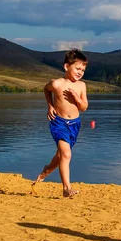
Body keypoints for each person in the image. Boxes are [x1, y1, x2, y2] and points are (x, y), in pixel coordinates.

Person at [32, 49, 89, 198]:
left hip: (75, 124)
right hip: (59, 122)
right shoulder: (57, 84)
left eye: (83, 70)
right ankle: (66, 189)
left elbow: (84, 108)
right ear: (66, 67)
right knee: (66, 154)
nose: (80, 72)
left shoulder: (81, 86)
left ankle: (46, 171)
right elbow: (46, 89)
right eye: (77, 68)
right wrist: (50, 105)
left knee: (61, 156)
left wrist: (77, 98)